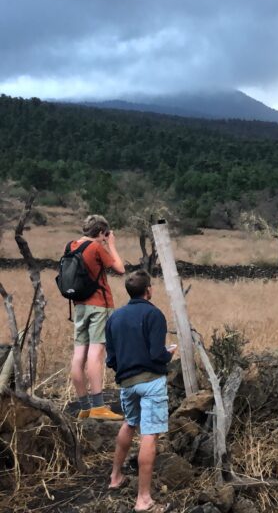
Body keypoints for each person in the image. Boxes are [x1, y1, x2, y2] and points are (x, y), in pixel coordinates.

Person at [106, 270, 176, 513]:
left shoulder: (114, 318)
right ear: (148, 290)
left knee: (129, 423)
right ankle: (143, 500)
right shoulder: (153, 314)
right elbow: (157, 354)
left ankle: (115, 477)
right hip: (151, 382)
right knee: (150, 435)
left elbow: (111, 359)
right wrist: (169, 353)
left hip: (126, 382)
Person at [68, 214, 125, 420]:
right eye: (104, 234)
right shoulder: (96, 247)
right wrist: (111, 245)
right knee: (96, 353)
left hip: (79, 306)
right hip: (98, 305)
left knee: (78, 355)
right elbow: (120, 268)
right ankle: (99, 406)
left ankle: (84, 406)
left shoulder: (72, 246)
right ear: (101, 232)